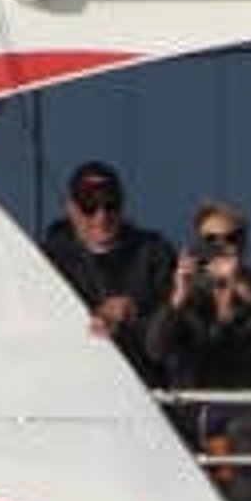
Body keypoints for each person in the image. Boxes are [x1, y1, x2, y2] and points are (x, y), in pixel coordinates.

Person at [146, 197, 251, 501]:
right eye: (211, 240)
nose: (222, 247)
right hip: (198, 430)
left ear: (244, 243)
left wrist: (244, 287)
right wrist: (178, 297)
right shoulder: (188, 294)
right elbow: (156, 349)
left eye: (231, 238)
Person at [37, 160, 176, 385]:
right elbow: (37, 325)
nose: (101, 217)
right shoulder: (49, 258)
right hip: (72, 381)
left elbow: (175, 326)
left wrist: (135, 312)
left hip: (141, 384)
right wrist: (90, 318)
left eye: (111, 205)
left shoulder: (154, 252)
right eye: (89, 207)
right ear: (70, 208)